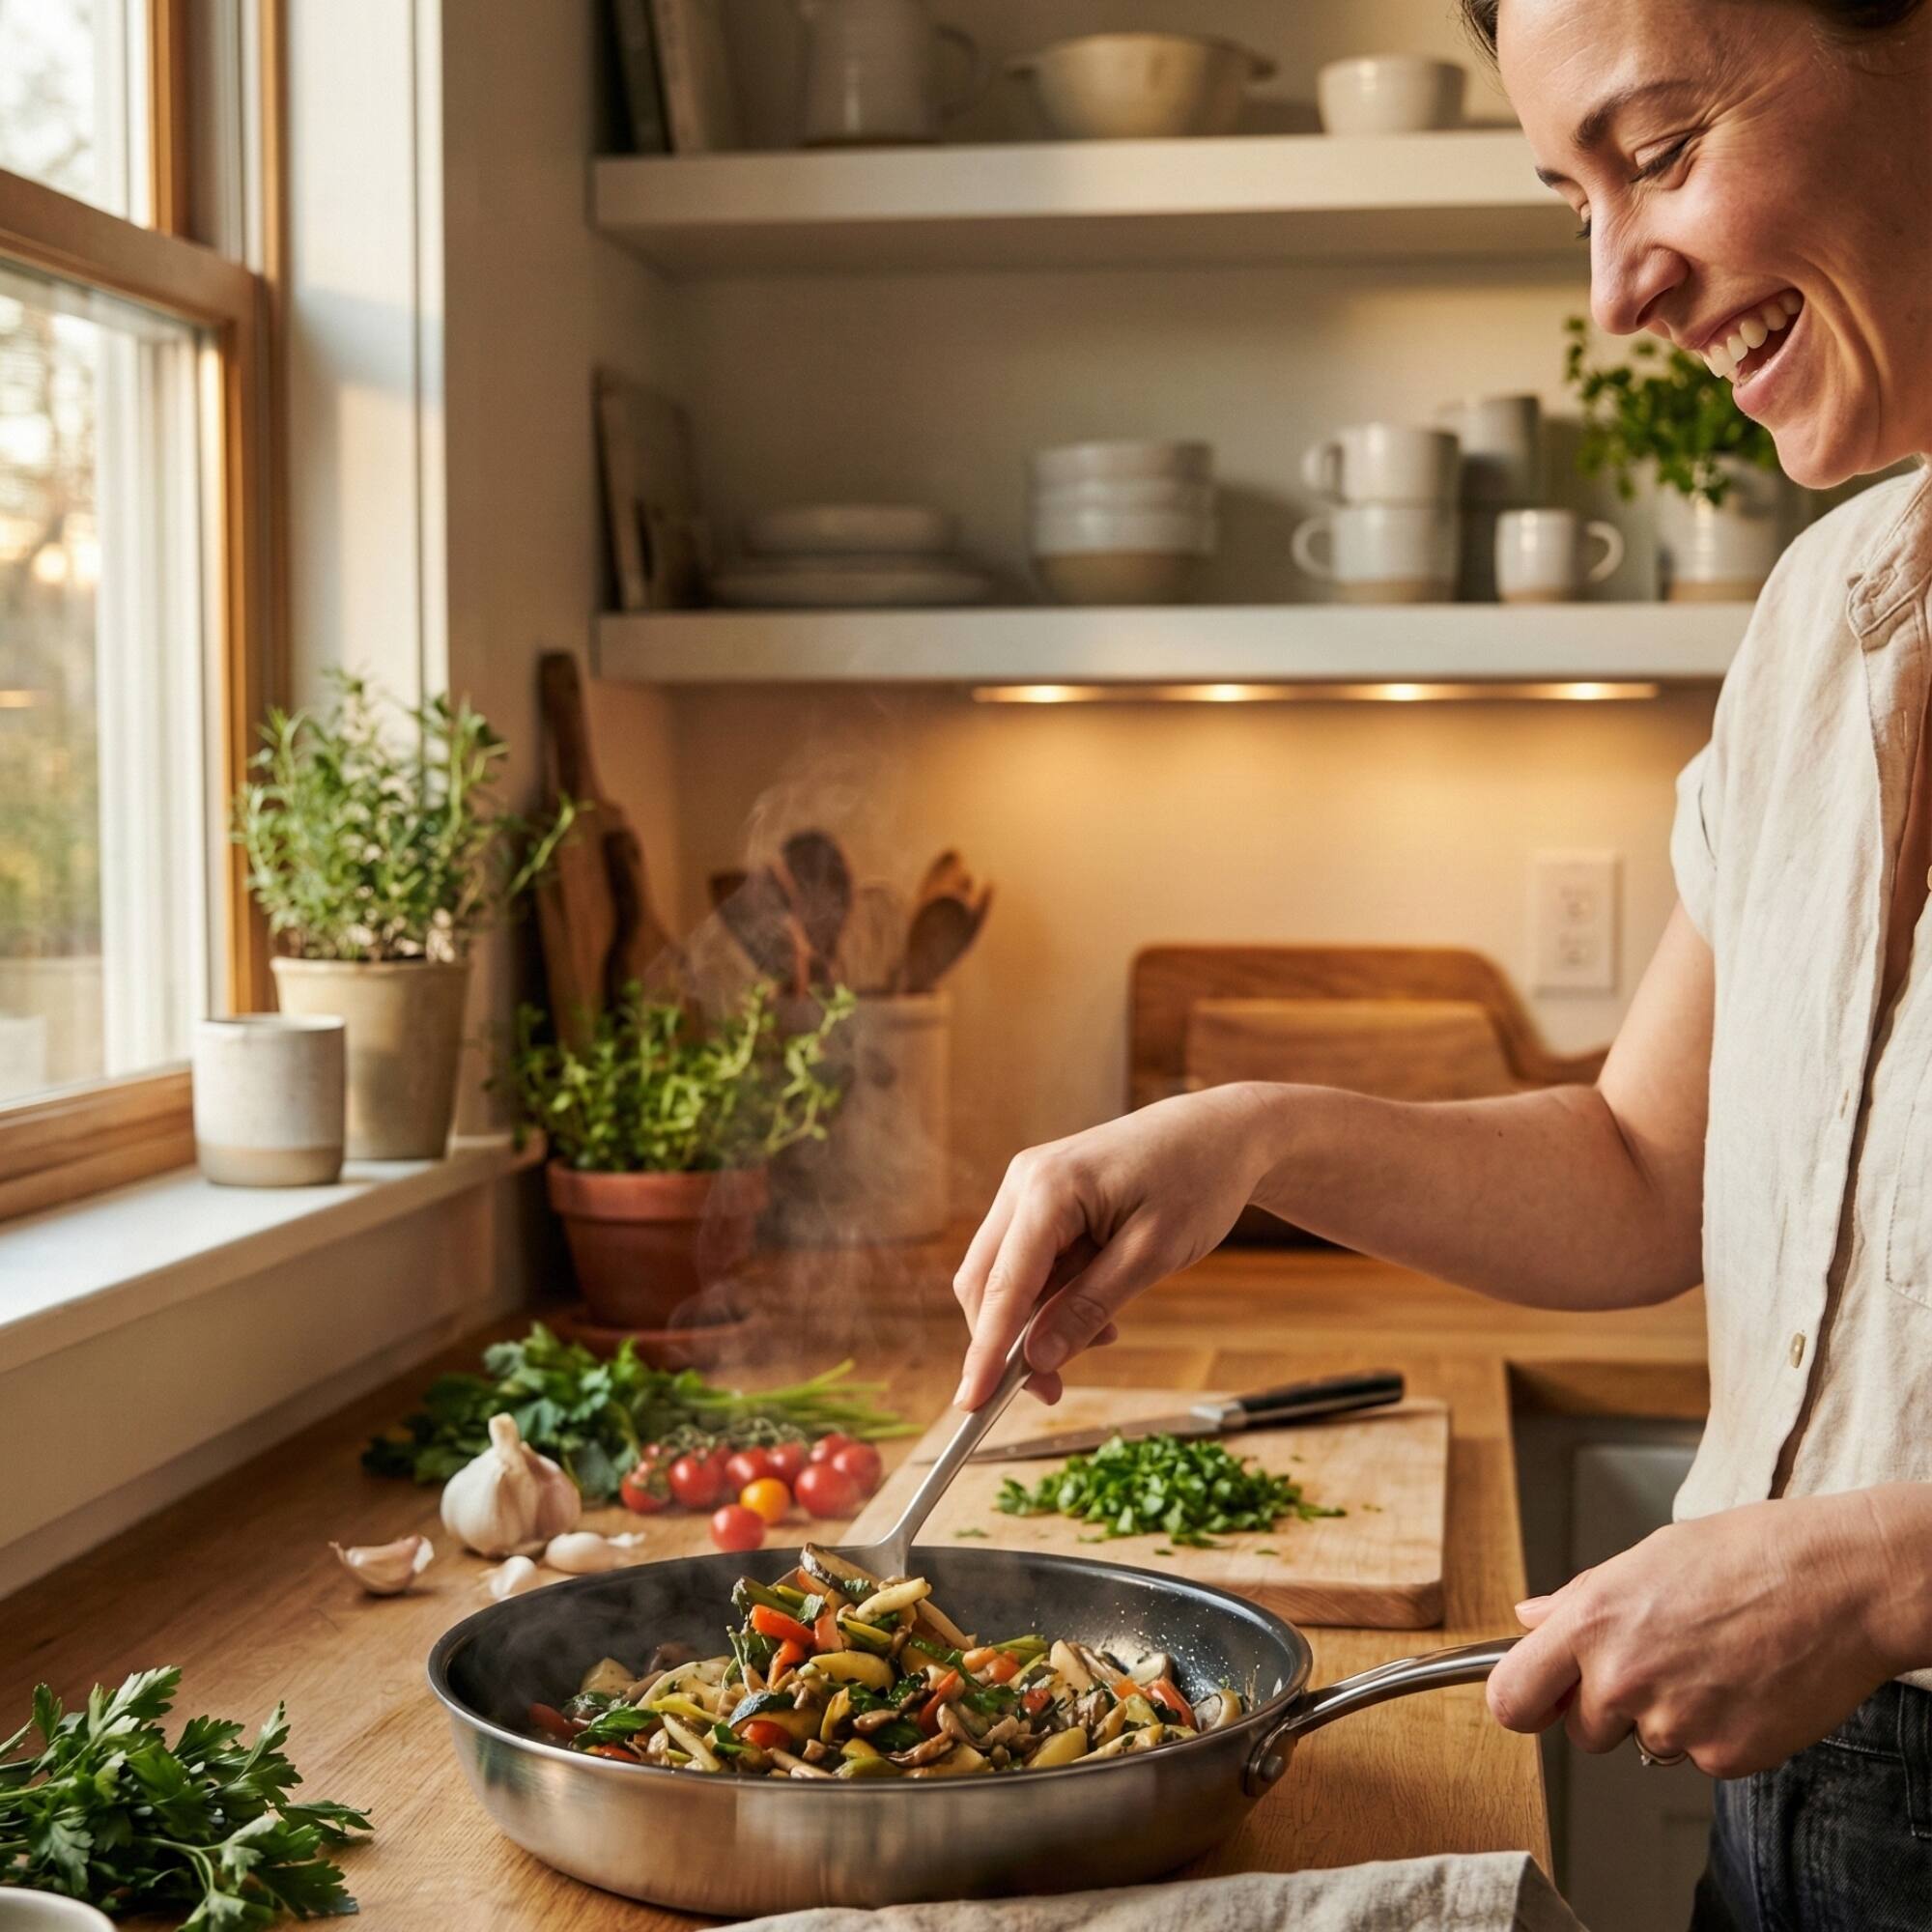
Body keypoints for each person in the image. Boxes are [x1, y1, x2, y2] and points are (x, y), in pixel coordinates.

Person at [949, 3, 1932, 1924]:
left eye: (1655, 152)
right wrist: (1244, 1134)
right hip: (1790, 1817)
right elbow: (1648, 1170)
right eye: (1570, 195)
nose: (1616, 287)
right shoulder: (1827, 615)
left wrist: (1887, 1572)